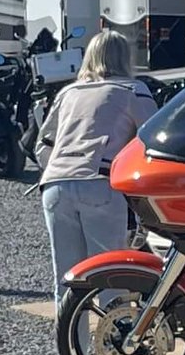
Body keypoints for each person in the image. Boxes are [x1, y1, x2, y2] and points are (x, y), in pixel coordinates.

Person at [38, 30, 146, 297]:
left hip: (55, 182)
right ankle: (113, 336)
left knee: (67, 276)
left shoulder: (68, 92)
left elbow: (42, 144)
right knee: (110, 272)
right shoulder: (132, 89)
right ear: (124, 58)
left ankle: (70, 338)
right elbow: (152, 139)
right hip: (100, 180)